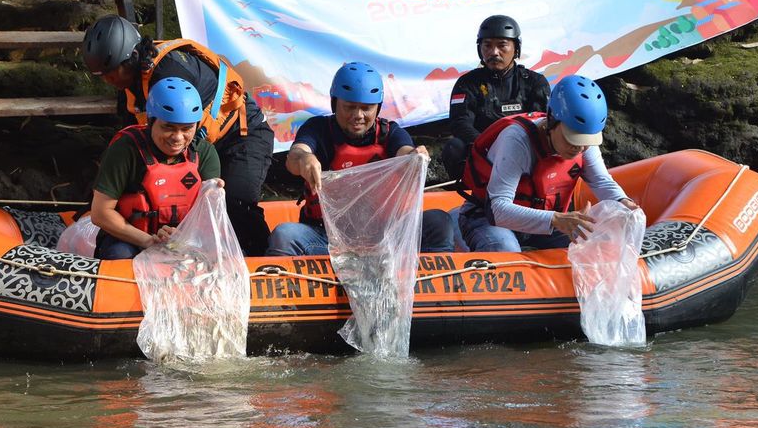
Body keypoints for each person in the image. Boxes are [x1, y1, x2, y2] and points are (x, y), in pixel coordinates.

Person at [82, 15, 273, 256]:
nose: (108, 80)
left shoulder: (171, 77)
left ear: (130, 58)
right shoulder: (131, 86)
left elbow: (180, 139)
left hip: (242, 133)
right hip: (200, 138)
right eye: (102, 75)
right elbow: (132, 143)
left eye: (111, 72)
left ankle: (262, 261)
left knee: (235, 203)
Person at [266, 62, 455, 257]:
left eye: (366, 108)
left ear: (378, 108)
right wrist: (305, 159)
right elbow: (296, 155)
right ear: (335, 103)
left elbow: (405, 151)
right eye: (349, 107)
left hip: (384, 237)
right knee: (285, 234)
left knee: (439, 222)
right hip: (326, 238)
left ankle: (430, 284)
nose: (358, 115)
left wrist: (415, 158)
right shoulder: (318, 129)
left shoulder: (391, 133)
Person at [458, 75, 640, 253]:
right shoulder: (517, 140)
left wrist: (624, 202)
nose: (580, 147)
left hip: (544, 221)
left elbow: (601, 181)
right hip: (486, 218)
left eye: (586, 140)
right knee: (505, 249)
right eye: (573, 139)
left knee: (593, 247)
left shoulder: (585, 144)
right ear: (552, 120)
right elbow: (497, 210)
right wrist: (556, 219)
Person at [90, 78, 222, 260]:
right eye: (168, 127)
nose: (178, 137)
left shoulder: (204, 153)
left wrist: (214, 194)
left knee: (219, 256)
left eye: (187, 129)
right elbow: (100, 213)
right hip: (132, 239)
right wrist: (150, 241)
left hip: (186, 239)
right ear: (151, 121)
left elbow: (209, 217)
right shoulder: (125, 150)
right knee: (120, 254)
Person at [441, 14, 551, 181]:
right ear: (480, 49)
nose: (494, 52)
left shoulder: (535, 82)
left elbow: (544, 123)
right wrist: (491, 147)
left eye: (502, 45)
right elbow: (460, 123)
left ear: (516, 48)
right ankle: (476, 194)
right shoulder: (467, 83)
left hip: (526, 153)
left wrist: (513, 148)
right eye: (487, 46)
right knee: (453, 147)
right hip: (485, 155)